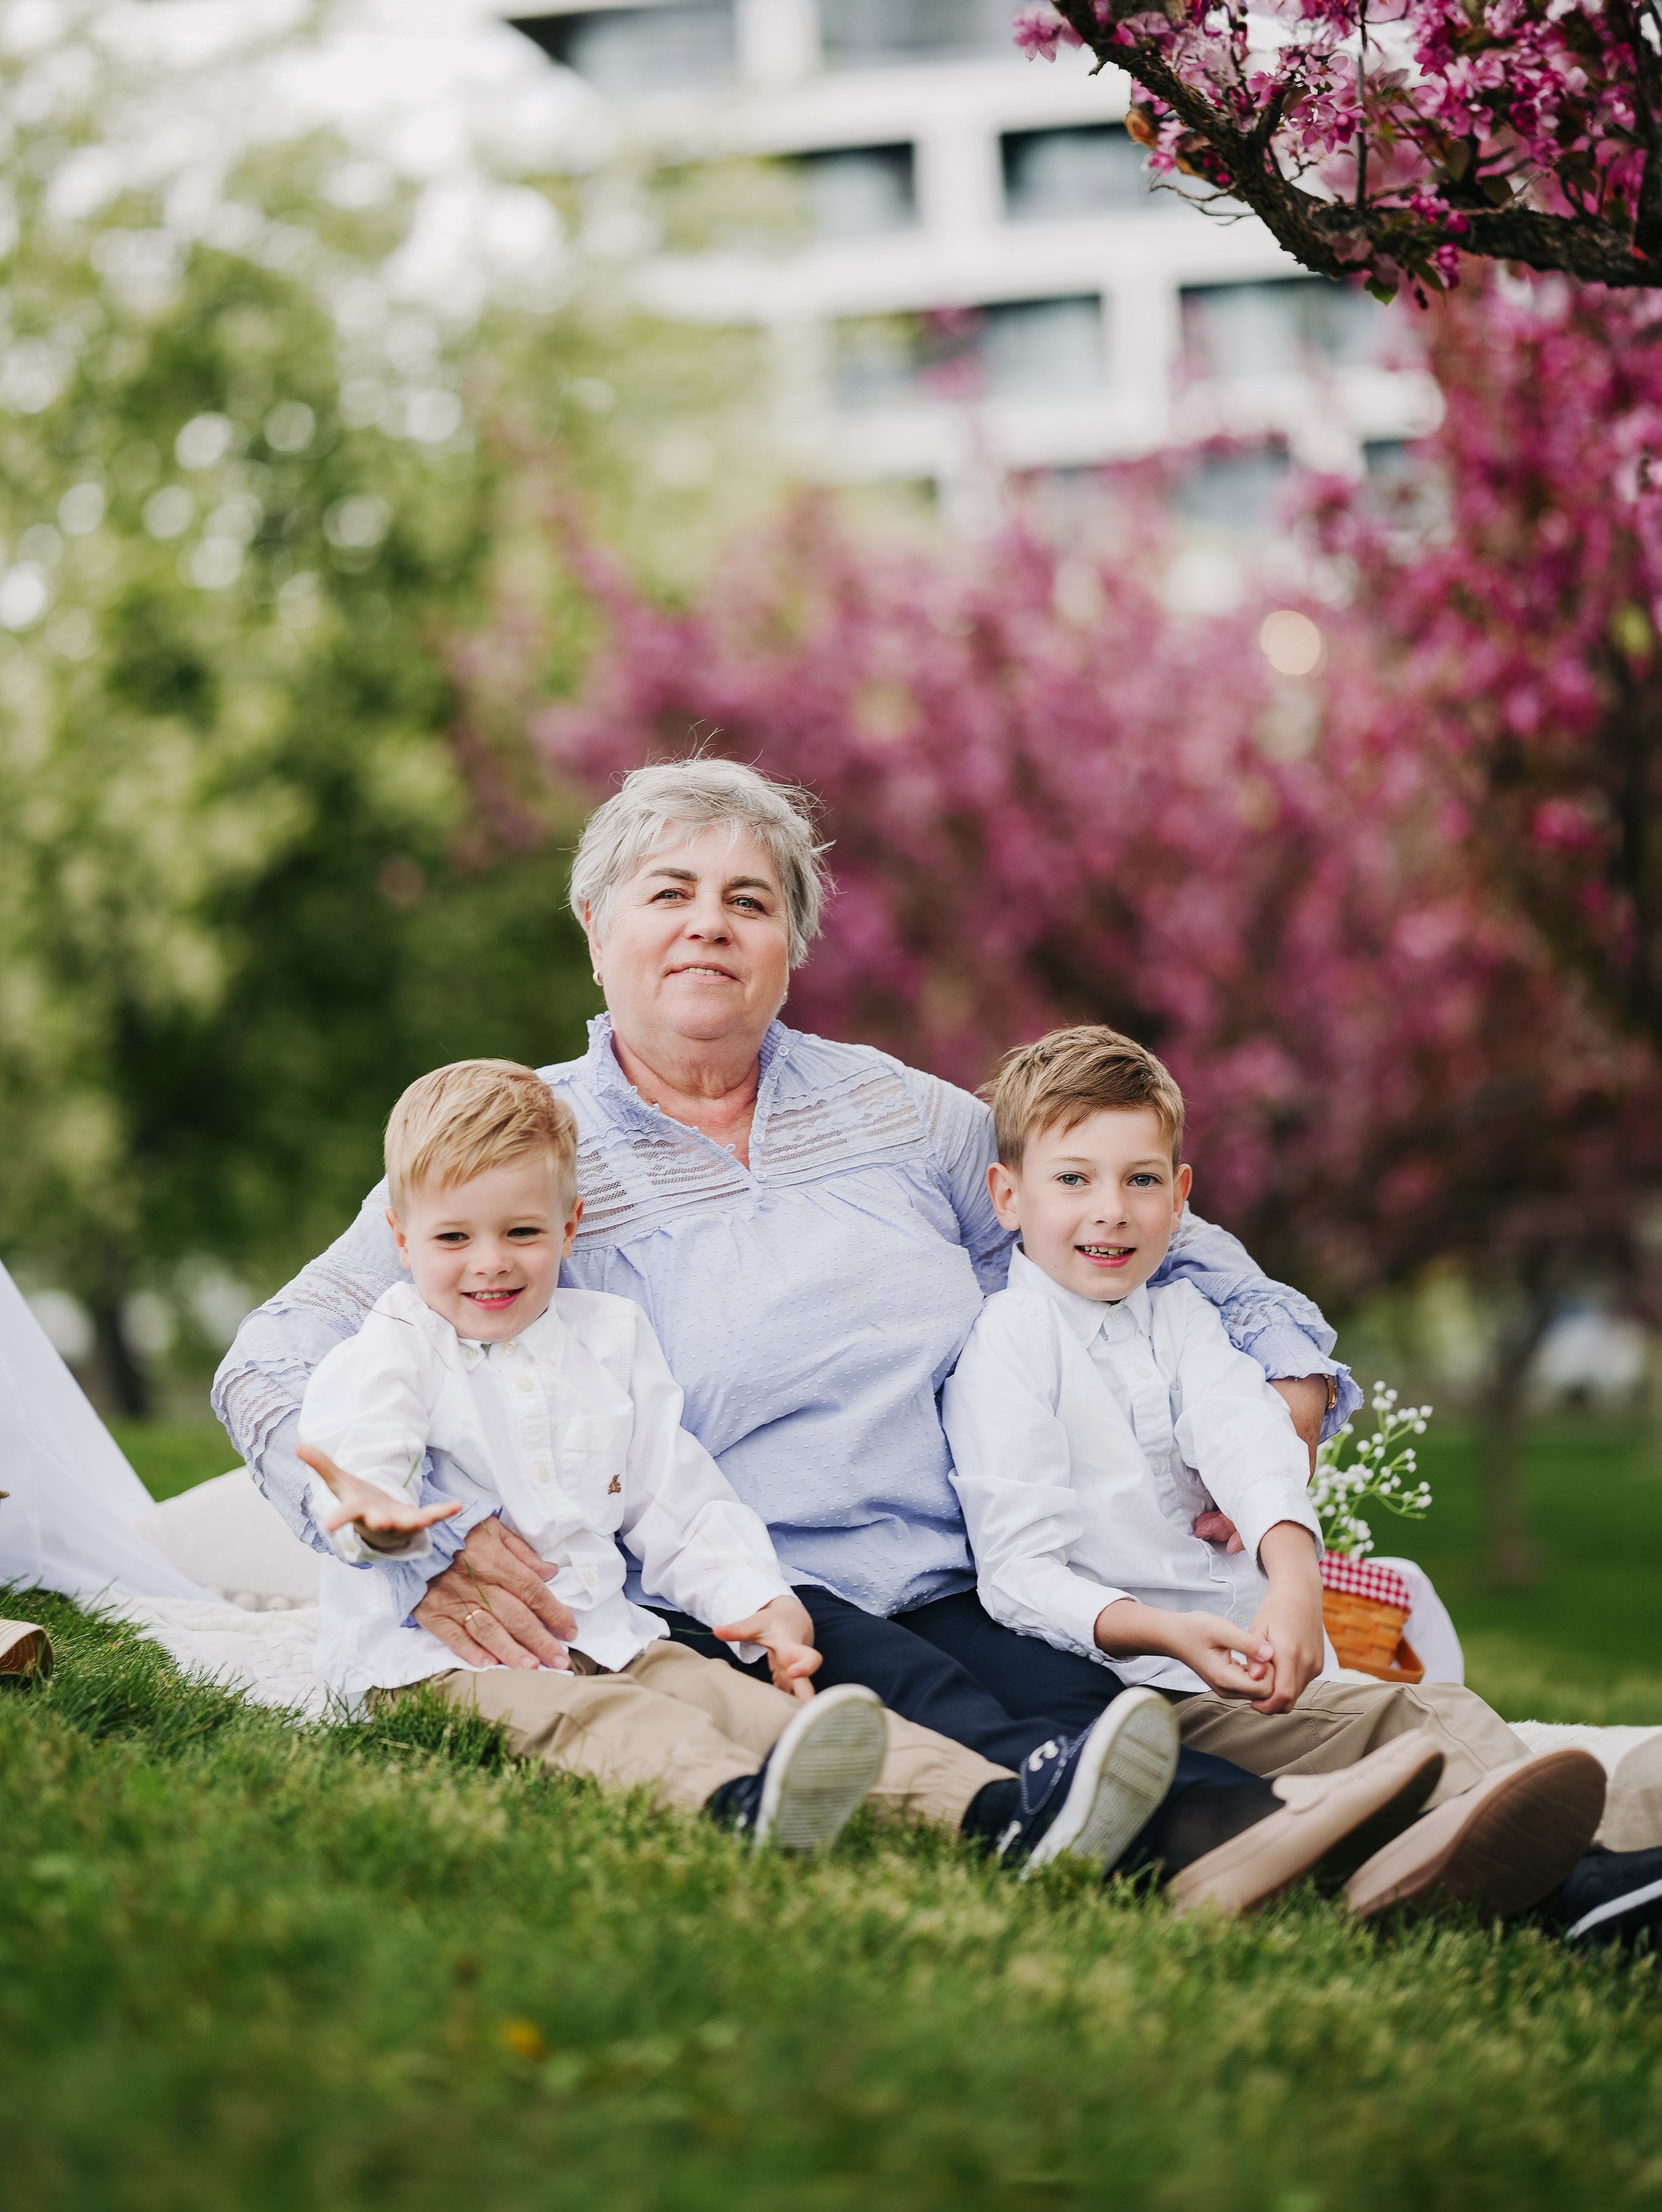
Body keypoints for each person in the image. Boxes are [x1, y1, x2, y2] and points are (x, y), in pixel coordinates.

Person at [212, 759, 1456, 1900]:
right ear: (596, 930)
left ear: (791, 947)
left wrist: (1287, 1363)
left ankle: (1538, 1863)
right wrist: (433, 1537)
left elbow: (1115, 1209)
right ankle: (1262, 1843)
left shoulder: (897, 1114)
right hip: (740, 1601)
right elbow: (270, 1358)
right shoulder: (516, 1157)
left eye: (751, 900)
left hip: (969, 1574)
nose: (711, 922)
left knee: (1104, 1703)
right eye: (671, 891)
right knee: (1010, 1735)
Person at [296, 1053, 1190, 1872]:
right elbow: (359, 1444)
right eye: (455, 1240)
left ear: (569, 1227)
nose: (490, 1264)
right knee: (617, 1723)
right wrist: (380, 1523)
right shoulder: (395, 1344)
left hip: (605, 1633)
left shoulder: (608, 1338)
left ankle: (1001, 1812)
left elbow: (674, 1493)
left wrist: (754, 1602)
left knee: (765, 1710)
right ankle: (737, 1805)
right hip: (441, 1663)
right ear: (402, 1239)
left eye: (520, 1233)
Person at [943, 1023, 1661, 1942]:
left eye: (1142, 1179)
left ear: (1181, 1197)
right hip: (1148, 1688)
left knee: (1432, 1711)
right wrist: (1165, 1631)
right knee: (1409, 1719)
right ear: (1008, 1196)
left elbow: (1247, 1435)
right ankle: (1585, 1883)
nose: (1111, 1210)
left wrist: (1293, 1580)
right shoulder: (1010, 1347)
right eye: (1073, 1179)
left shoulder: (1182, 1317)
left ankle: (1576, 1859)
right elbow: (1018, 1575)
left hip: (1242, 1673)